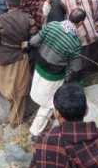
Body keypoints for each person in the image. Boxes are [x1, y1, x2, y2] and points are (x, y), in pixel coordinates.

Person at [0, 0, 37, 126]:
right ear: (20, 3)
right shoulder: (29, 19)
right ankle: (15, 120)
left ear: (7, 4)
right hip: (21, 55)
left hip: (4, 53)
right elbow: (35, 37)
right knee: (20, 90)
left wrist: (2, 46)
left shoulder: (0, 20)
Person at [28, 9, 86, 137]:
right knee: (49, 103)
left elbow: (33, 42)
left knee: (38, 89)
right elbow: (76, 68)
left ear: (68, 16)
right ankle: (34, 132)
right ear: (81, 23)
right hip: (53, 76)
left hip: (39, 66)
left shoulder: (52, 25)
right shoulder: (75, 42)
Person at [60, 0, 98, 73]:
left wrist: (71, 9)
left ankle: (75, 72)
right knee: (90, 49)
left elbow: (62, 2)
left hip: (73, 28)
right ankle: (86, 71)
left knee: (78, 54)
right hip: (88, 31)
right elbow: (96, 12)